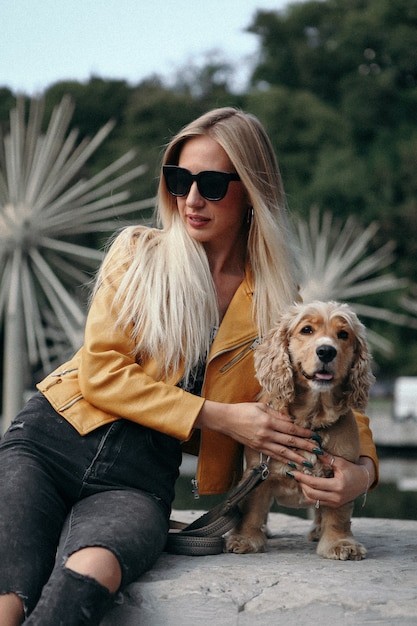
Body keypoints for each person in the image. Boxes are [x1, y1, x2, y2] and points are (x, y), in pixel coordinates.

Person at [0, 107, 378, 625]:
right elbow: (101, 372)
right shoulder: (138, 253)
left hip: (139, 478)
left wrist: (362, 472)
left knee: (94, 570)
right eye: (179, 180)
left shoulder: (276, 300)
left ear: (250, 190)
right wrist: (219, 417)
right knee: (9, 590)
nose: (191, 199)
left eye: (213, 184)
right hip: (49, 439)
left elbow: (329, 391)